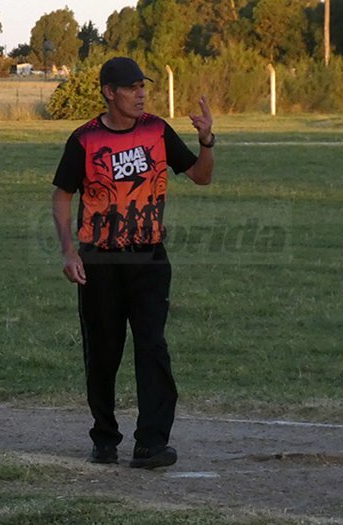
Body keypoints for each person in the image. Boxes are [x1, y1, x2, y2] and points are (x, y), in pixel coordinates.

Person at [51, 57, 215, 469]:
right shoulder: (84, 139)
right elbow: (62, 195)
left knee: (152, 347)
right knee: (103, 353)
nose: (141, 94)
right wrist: (69, 251)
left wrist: (207, 140)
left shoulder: (157, 130)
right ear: (109, 92)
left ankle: (151, 444)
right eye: (132, 87)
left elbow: (200, 176)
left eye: (143, 86)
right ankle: (104, 438)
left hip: (150, 259)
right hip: (100, 262)